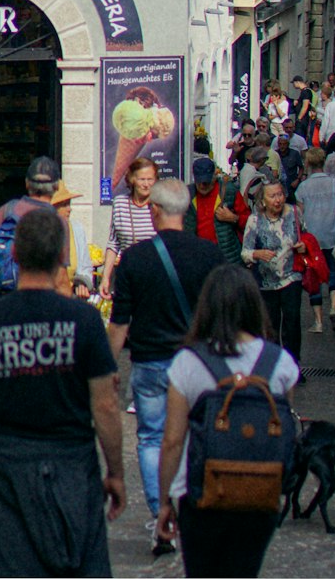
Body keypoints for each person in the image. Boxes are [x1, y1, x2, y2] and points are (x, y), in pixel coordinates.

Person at [0, 208, 126, 576]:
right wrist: (116, 471)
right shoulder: (85, 321)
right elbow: (105, 405)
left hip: (6, 465)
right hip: (72, 461)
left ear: (14, 255)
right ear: (63, 256)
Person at [155, 265, 299, 577]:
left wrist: (165, 499)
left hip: (200, 494)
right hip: (261, 489)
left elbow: (172, 441)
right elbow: (284, 428)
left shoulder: (188, 363)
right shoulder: (281, 362)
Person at [107, 178, 222, 543]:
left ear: (153, 210)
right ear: (185, 210)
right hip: (200, 364)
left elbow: (120, 322)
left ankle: (161, 516)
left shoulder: (135, 260)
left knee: (153, 437)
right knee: (197, 436)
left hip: (152, 362)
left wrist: (109, 367)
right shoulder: (211, 256)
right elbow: (223, 314)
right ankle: (193, 507)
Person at [241, 177, 305, 364]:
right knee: (271, 325)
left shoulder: (294, 213)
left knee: (292, 322)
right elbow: (245, 252)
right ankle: (273, 365)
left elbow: (306, 235)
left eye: (280, 195)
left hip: (291, 276)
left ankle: (293, 365)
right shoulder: (254, 220)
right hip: (265, 281)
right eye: (272, 196)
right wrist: (257, 253)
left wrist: (303, 246)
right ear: (263, 200)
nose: (277, 200)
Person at [0, 156, 66, 296]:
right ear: (57, 186)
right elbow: (61, 279)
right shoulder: (58, 221)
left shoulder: (4, 212)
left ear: (27, 183)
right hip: (41, 305)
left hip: (3, 301)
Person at [295, 147, 335, 334]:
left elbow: (299, 215)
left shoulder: (303, 187)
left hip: (312, 238)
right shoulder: (334, 183)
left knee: (313, 277)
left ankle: (318, 322)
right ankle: (334, 307)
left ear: (307, 163)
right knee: (334, 272)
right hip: (332, 233)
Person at [99, 156, 158, 298]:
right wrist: (105, 277)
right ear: (132, 179)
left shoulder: (159, 205)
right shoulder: (120, 203)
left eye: (150, 179)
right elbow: (114, 243)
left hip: (154, 276)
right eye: (141, 179)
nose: (146, 184)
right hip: (127, 274)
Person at [185, 156, 243, 263]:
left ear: (214, 176)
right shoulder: (188, 194)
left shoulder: (229, 192)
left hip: (226, 258)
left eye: (206, 182)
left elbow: (249, 222)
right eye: (199, 182)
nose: (202, 186)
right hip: (199, 257)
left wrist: (234, 218)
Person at [52, 182, 93, 299]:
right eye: (64, 205)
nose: (69, 209)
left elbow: (85, 266)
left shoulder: (76, 229)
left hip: (71, 297)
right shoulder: (40, 231)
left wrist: (82, 283)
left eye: (69, 204)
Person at [275, 133, 302, 199]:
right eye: (280, 144)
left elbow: (301, 168)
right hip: (279, 185)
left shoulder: (295, 153)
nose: (282, 146)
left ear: (288, 144)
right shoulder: (275, 154)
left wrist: (298, 180)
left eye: (284, 144)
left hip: (292, 185)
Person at [291, 75, 314, 140]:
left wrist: (299, 118)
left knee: (299, 138)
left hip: (302, 121)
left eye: (294, 83)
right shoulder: (303, 92)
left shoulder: (306, 92)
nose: (293, 85)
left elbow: (305, 106)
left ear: (297, 82)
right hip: (302, 120)